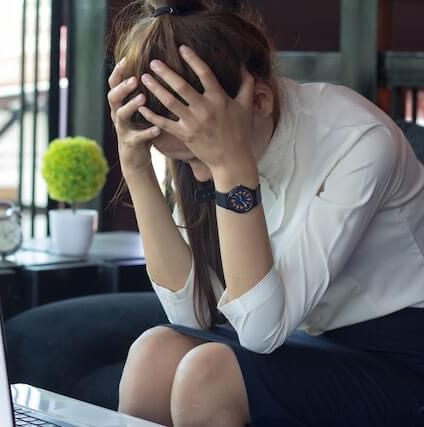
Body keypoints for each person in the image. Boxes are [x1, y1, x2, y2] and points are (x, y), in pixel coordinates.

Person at [107, 1, 424, 426]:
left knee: (208, 375)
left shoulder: (358, 142)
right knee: (155, 353)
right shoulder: (197, 150)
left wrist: (231, 167)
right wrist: (138, 168)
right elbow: (192, 315)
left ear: (258, 101)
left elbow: (261, 331)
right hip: (309, 338)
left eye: (199, 156)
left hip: (402, 357)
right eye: (182, 158)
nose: (197, 174)